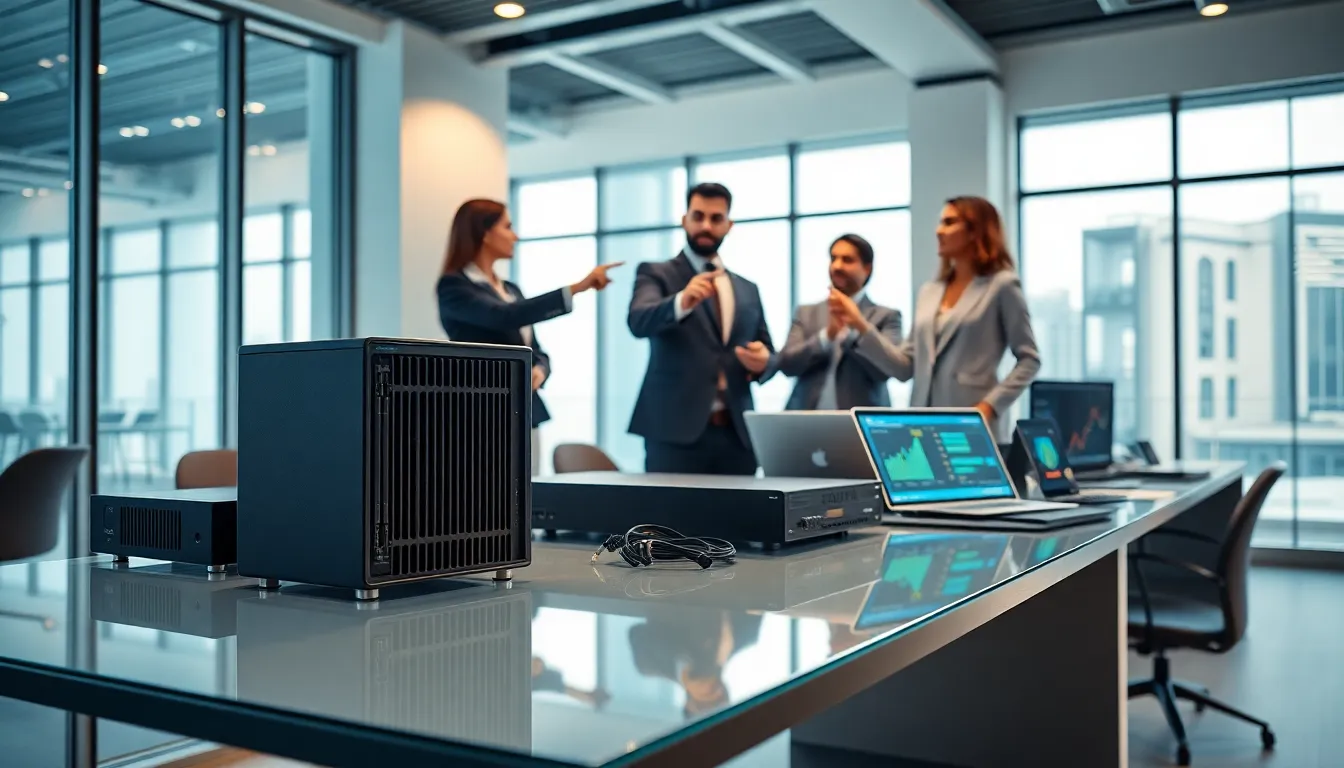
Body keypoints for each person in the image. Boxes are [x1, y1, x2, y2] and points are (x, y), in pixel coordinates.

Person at [436, 198, 621, 472]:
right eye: (508, 226)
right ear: (485, 233)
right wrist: (576, 288)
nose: (516, 235)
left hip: (524, 410)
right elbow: (503, 316)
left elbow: (535, 349)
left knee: (526, 494)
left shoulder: (510, 289)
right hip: (480, 414)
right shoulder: (454, 287)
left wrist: (539, 368)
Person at [848, 196, 1039, 441]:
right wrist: (861, 326)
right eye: (941, 222)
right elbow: (906, 367)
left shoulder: (1002, 285)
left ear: (975, 231)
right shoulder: (930, 291)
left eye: (949, 222)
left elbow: (1029, 359)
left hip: (973, 426)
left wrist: (989, 407)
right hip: (921, 426)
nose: (939, 231)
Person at [626, 183, 777, 475]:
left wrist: (764, 362)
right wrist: (682, 301)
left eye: (716, 218)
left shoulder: (747, 289)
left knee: (737, 521)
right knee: (669, 521)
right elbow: (638, 321)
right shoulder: (656, 273)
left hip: (737, 437)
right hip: (673, 435)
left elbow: (769, 351)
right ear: (685, 220)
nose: (706, 225)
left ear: (729, 225)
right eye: (698, 216)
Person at [778, 233, 903, 410]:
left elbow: (885, 370)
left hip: (858, 427)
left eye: (847, 260)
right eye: (833, 258)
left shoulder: (887, 317)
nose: (837, 266)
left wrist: (855, 330)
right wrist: (826, 337)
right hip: (805, 426)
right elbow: (787, 364)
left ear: (867, 268)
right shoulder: (806, 313)